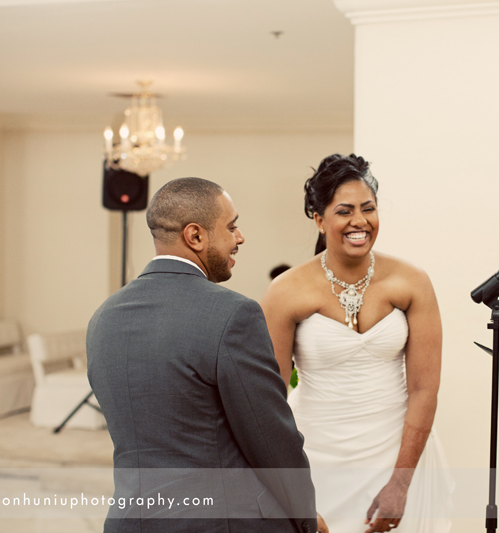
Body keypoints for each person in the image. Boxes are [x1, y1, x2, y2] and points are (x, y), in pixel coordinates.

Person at [87, 177, 326, 533]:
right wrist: (306, 516)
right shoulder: (233, 314)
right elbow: (271, 439)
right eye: (231, 227)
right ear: (195, 236)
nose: (239, 237)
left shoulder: (103, 317)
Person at [260, 154, 452, 533]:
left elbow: (424, 389)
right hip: (316, 456)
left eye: (368, 208)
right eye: (344, 211)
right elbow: (270, 400)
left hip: (398, 452)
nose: (359, 221)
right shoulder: (285, 292)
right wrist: (289, 487)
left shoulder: (412, 282)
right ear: (319, 220)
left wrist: (401, 483)